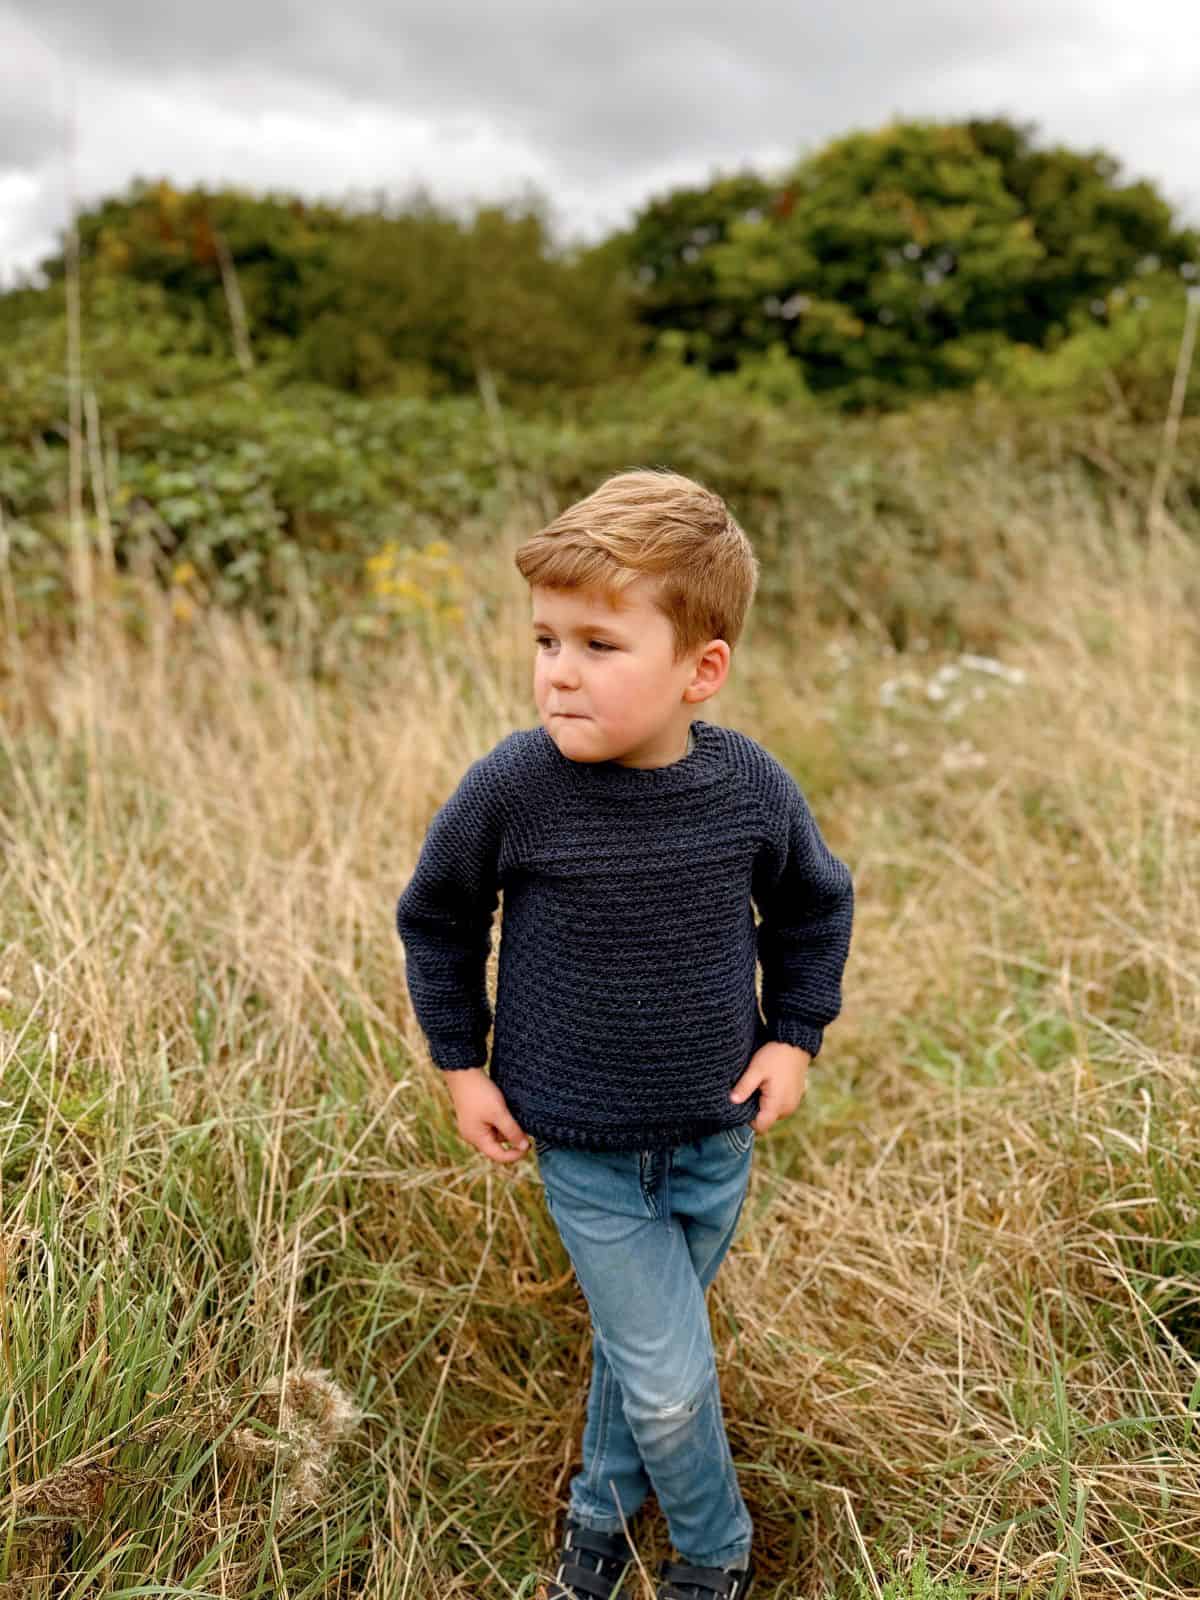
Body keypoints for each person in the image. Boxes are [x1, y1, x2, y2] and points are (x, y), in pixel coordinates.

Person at [395, 468, 855, 1600]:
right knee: (666, 1377)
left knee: (644, 1348)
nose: (559, 671)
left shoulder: (748, 787)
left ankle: (601, 1514)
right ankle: (715, 1553)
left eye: (600, 644)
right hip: (585, 1146)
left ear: (702, 669)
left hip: (715, 1134)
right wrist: (462, 1063)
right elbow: (438, 917)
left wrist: (793, 1033)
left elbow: (814, 903)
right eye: (547, 639)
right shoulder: (515, 786)